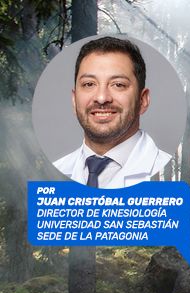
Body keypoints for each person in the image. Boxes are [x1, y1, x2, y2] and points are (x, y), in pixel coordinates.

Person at [54, 37, 172, 188]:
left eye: (118, 84)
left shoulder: (166, 176)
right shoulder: (56, 172)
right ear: (74, 100)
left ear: (143, 100)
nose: (102, 98)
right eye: (89, 84)